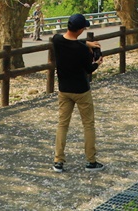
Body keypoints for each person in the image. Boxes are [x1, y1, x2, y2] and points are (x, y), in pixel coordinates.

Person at [51, 13, 104, 173]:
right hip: (81, 90)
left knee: (62, 124)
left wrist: (86, 43)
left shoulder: (56, 40)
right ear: (81, 29)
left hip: (64, 89)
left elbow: (69, 41)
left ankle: (58, 161)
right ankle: (91, 161)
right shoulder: (81, 50)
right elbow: (89, 69)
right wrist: (98, 63)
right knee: (88, 125)